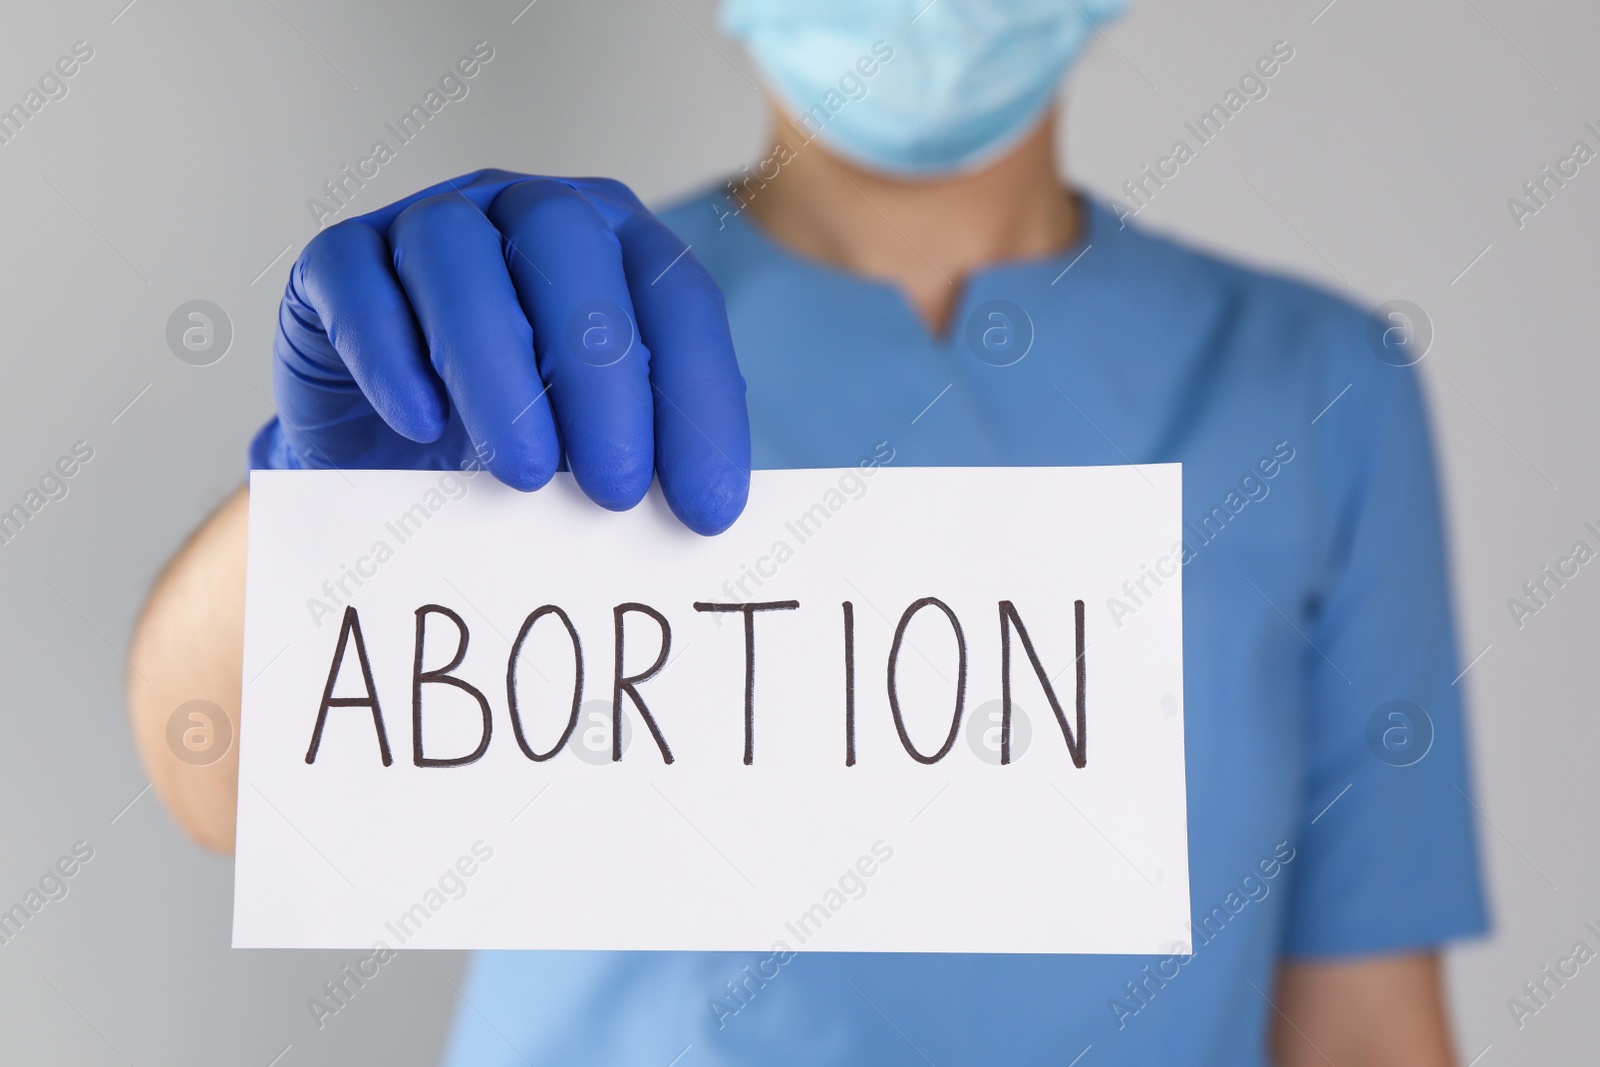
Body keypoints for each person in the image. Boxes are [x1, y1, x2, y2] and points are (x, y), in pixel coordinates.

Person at [126, 0, 1487, 1063]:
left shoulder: (1314, 389)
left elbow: (1364, 1023)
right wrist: (331, 516)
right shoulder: (550, 335)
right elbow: (219, 784)